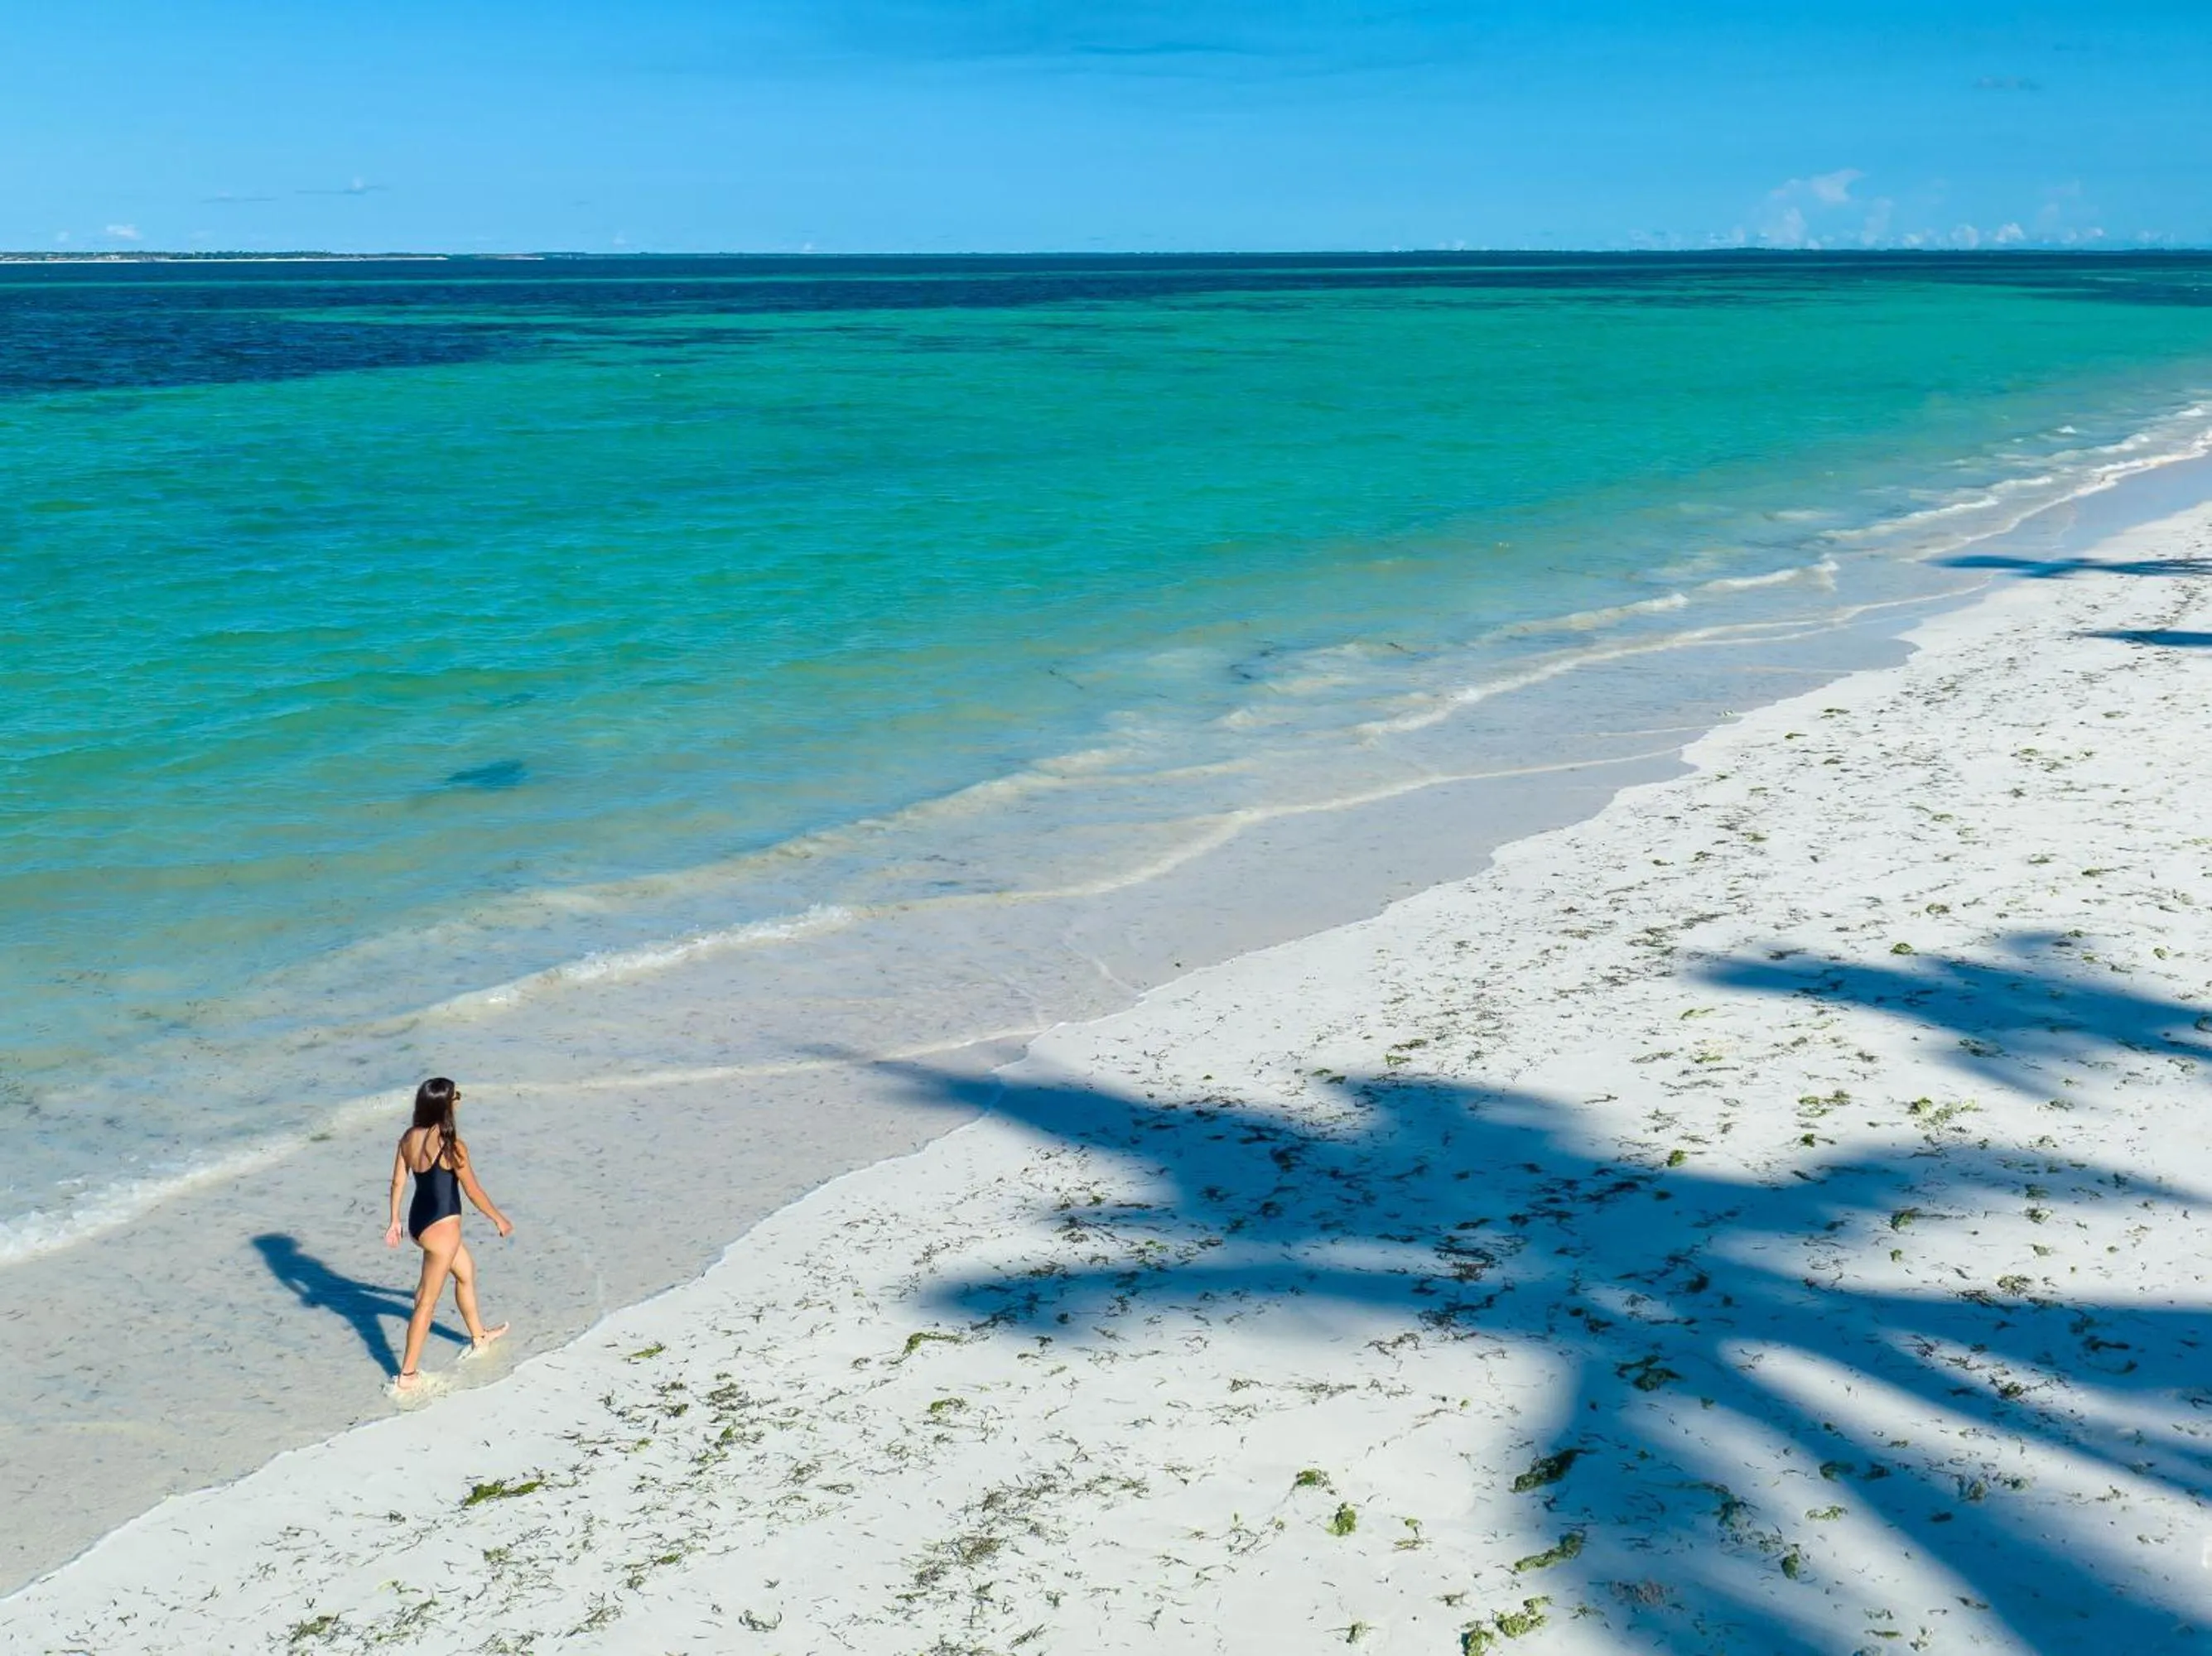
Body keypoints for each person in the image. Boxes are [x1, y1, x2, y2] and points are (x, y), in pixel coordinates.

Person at [383, 1076, 512, 1390]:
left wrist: (394, 1221)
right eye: (457, 1096)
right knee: (426, 1302)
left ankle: (479, 1337)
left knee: (466, 1272)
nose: (459, 1101)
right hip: (443, 1230)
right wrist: (498, 1218)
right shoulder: (452, 1146)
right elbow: (473, 1191)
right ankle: (408, 1376)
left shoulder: (408, 1138)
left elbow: (398, 1182)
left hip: (418, 1222)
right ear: (446, 1105)